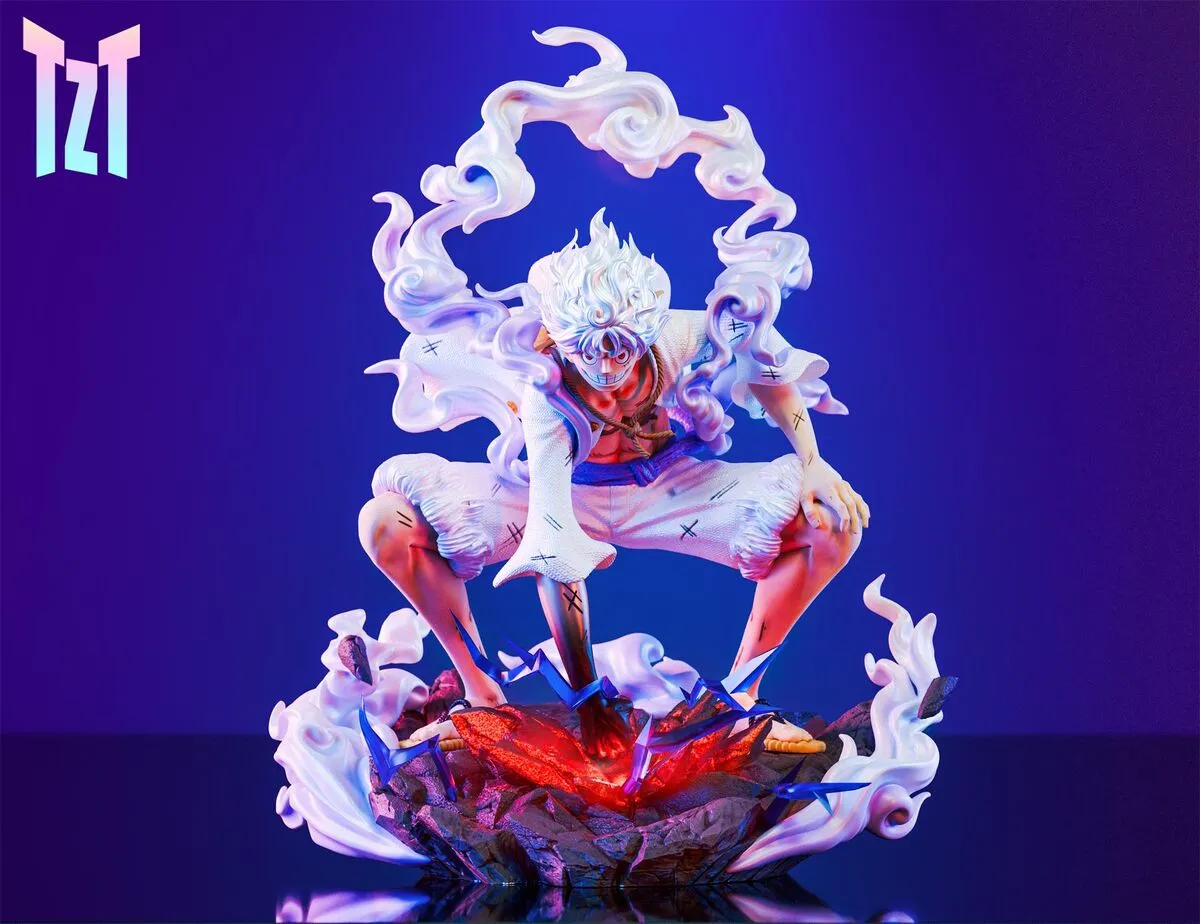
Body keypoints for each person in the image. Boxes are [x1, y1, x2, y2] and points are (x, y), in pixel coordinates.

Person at [358, 208, 867, 758]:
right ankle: (483, 701)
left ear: (644, 331)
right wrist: (587, 700)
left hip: (670, 491)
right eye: (585, 351)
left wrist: (814, 460)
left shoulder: (681, 335)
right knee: (387, 523)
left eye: (620, 349)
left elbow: (763, 359)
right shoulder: (546, 392)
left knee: (831, 521)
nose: (604, 368)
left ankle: (738, 702)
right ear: (558, 338)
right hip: (555, 496)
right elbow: (555, 554)